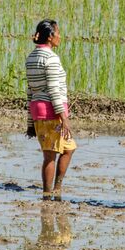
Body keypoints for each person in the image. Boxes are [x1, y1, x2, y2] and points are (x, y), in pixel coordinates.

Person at [25, 19, 76, 199]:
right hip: (52, 112)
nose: (60, 37)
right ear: (50, 36)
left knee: (66, 149)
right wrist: (64, 118)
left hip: (38, 111)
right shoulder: (52, 58)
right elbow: (54, 90)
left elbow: (30, 91)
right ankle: (50, 193)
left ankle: (55, 189)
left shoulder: (31, 57)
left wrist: (30, 122)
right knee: (51, 155)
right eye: (58, 33)